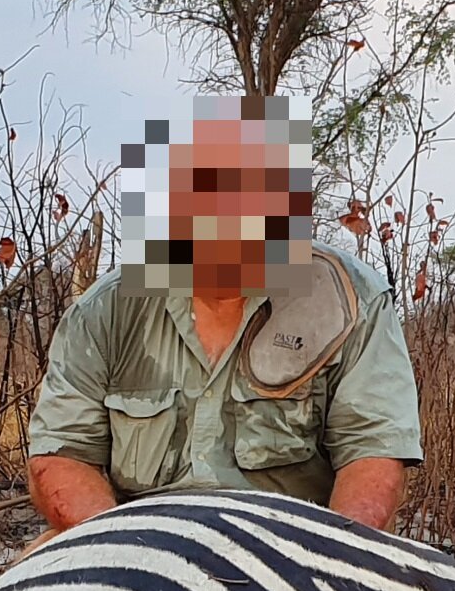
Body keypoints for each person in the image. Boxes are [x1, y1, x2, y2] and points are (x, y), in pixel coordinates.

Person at [26, 95, 422, 535]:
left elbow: (373, 453)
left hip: (290, 546)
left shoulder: (352, 299)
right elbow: (62, 454)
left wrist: (329, 562)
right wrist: (119, 550)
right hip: (135, 539)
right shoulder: (106, 308)